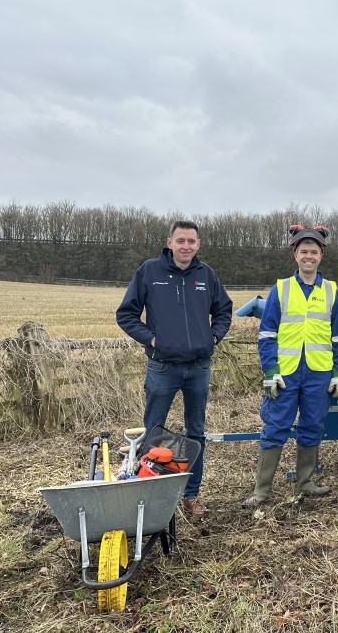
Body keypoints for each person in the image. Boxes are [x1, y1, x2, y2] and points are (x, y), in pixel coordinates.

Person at [116, 219, 233, 517]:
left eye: (191, 241)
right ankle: (147, 495)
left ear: (198, 245)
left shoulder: (206, 275)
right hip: (162, 367)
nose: (186, 246)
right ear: (170, 243)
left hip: (198, 367)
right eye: (180, 241)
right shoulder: (149, 272)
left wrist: (214, 336)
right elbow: (126, 314)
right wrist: (151, 339)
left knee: (196, 433)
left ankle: (191, 496)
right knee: (153, 431)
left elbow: (224, 309)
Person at [242, 226, 338, 507]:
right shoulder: (281, 289)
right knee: (275, 426)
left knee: (313, 425)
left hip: (318, 372)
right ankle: (262, 490)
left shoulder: (332, 291)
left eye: (314, 251)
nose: (309, 256)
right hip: (286, 373)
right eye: (304, 251)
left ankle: (306, 482)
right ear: (295, 254)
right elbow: (267, 335)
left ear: (321, 255)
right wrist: (270, 371)